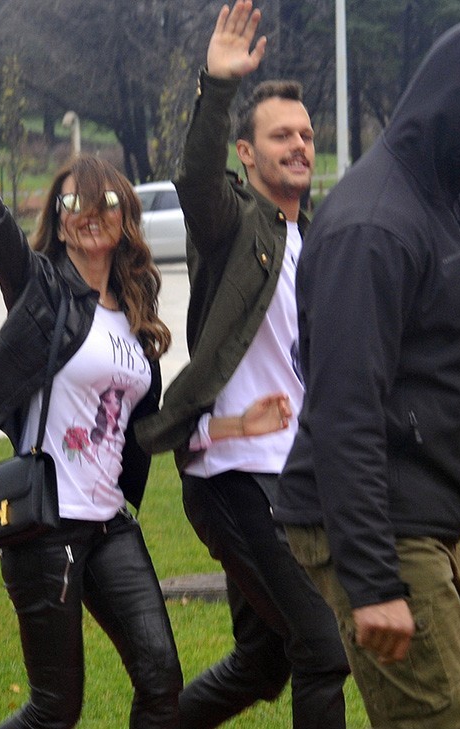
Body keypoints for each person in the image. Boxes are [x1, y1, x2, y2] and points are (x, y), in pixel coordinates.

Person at [274, 17, 460, 729]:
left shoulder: (456, 192)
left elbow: (453, 360)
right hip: (375, 521)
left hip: (423, 511)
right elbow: (345, 410)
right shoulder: (373, 226)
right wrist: (373, 582)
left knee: (451, 701)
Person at [0, 53, 182, 728]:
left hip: (111, 524)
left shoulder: (135, 310)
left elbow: (142, 419)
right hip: (46, 527)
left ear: (125, 214)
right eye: (71, 203)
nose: (88, 214)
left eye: (104, 202)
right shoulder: (40, 288)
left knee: (162, 679)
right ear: (59, 216)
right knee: (55, 708)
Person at [134, 2, 350, 727]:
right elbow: (196, 179)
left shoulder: (312, 239)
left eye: (307, 135)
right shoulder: (233, 226)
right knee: (323, 646)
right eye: (281, 135)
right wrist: (217, 85)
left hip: (295, 475)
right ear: (248, 154)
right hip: (234, 477)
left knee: (264, 661)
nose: (299, 146)